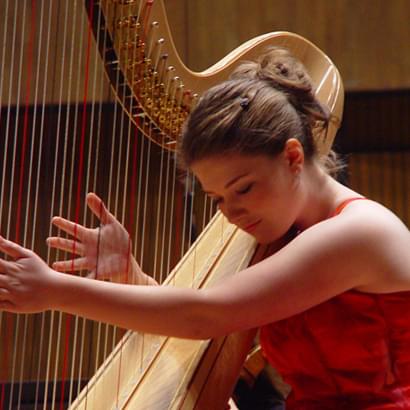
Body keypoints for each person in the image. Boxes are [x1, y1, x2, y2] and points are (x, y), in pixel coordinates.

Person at [0, 47, 409, 409]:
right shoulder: (289, 230)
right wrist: (131, 277)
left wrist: (54, 290)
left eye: (243, 188)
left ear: (292, 157)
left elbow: (206, 317)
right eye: (217, 199)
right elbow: (202, 323)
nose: (231, 213)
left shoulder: (359, 233)